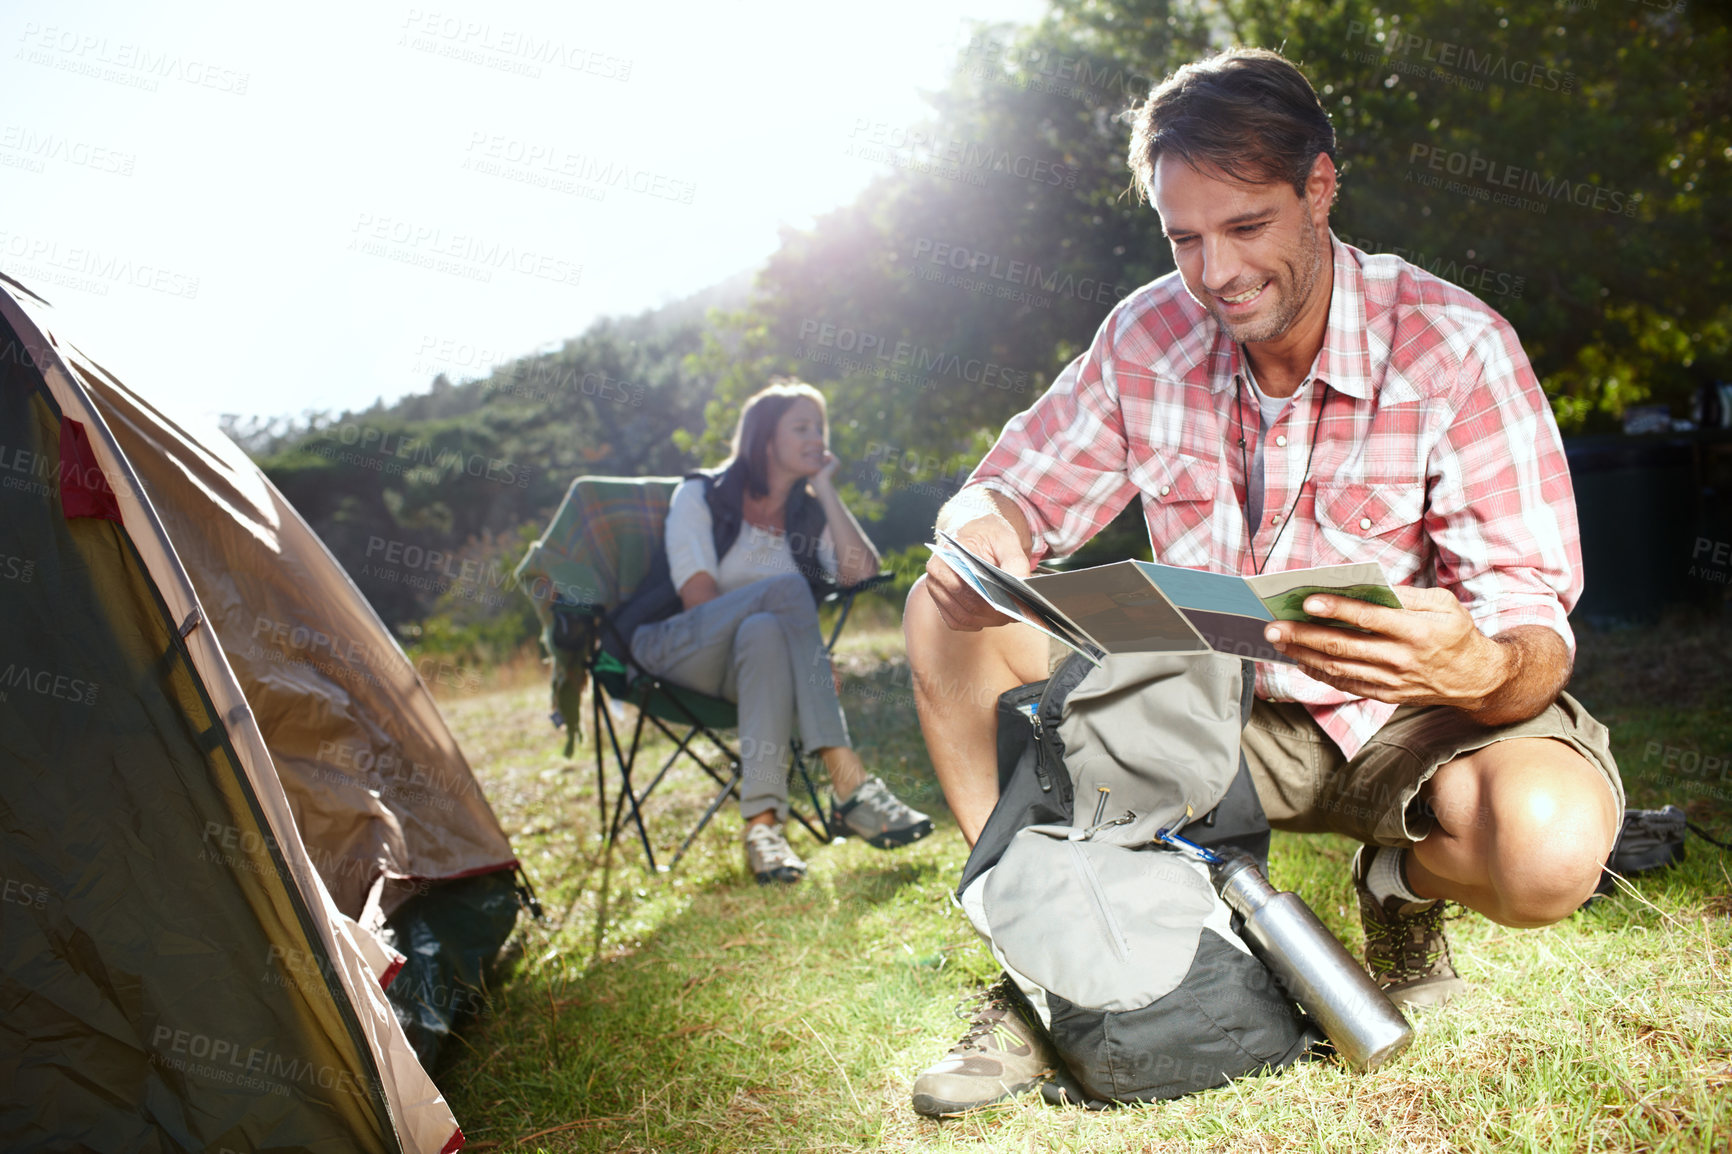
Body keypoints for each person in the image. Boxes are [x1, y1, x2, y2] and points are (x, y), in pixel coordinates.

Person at [901, 47, 1623, 1115]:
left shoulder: (1455, 347)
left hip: (1405, 714)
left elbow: (1533, 635)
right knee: (942, 612)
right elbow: (1003, 492)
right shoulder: (1147, 333)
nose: (1215, 274)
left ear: (1318, 189)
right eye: (1183, 238)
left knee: (1548, 845)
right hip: (1208, 711)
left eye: (1246, 228)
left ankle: (1396, 887)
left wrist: (1474, 658)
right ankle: (1053, 959)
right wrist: (981, 529)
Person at [625, 380, 932, 884]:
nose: (817, 438)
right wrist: (804, 649)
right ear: (765, 437)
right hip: (672, 648)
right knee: (786, 594)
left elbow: (860, 572)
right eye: (802, 427)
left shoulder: (806, 514)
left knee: (767, 632)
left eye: (821, 428)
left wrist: (827, 489)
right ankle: (849, 783)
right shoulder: (701, 494)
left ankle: (763, 831)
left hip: (749, 665)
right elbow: (697, 599)